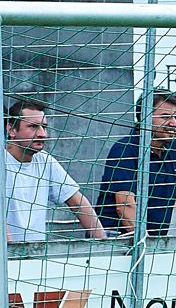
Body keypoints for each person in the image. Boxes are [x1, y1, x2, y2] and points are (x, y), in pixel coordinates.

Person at [95, 90, 176, 236]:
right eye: (165, 117)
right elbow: (125, 206)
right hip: (116, 241)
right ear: (145, 117)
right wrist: (145, 244)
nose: (174, 123)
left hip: (152, 242)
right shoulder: (124, 150)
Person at [5, 99, 106, 243]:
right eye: (33, 127)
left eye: (44, 127)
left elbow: (78, 203)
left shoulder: (45, 161)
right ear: (11, 130)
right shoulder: (3, 162)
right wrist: (11, 251)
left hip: (36, 253)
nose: (42, 134)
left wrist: (104, 244)